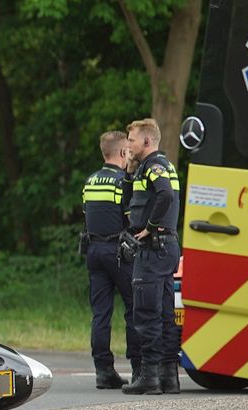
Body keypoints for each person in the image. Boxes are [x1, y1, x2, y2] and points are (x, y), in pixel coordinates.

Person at [121, 118, 181, 395]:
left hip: (154, 248)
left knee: (146, 314)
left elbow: (165, 196)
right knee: (166, 314)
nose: (128, 145)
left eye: (131, 140)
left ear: (147, 141)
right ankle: (169, 377)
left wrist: (150, 226)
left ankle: (149, 378)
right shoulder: (164, 166)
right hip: (167, 247)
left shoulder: (153, 167)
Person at [81, 131, 140, 388]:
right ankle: (139, 369)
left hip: (94, 252)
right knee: (133, 309)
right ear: (123, 153)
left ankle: (103, 371)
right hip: (119, 253)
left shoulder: (90, 182)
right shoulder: (122, 182)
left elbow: (88, 215)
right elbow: (131, 219)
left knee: (101, 314)